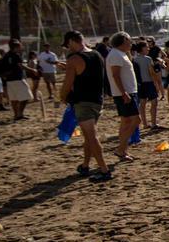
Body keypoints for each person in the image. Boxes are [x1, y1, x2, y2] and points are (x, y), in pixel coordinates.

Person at [59, 31, 111, 181]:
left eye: (68, 45)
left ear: (72, 41)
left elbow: (67, 84)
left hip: (83, 102)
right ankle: (85, 165)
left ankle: (104, 170)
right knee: (89, 137)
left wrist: (62, 97)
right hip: (97, 100)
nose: (68, 48)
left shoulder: (74, 59)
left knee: (92, 136)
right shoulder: (97, 55)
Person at [106, 31, 140, 161]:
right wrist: (123, 92)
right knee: (136, 120)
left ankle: (123, 150)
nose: (131, 43)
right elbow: (115, 75)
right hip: (125, 93)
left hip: (128, 91)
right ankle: (121, 149)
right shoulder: (115, 55)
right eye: (129, 40)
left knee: (125, 122)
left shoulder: (121, 54)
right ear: (123, 41)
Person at [0, 39, 35, 121]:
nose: (21, 46)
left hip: (9, 80)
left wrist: (3, 75)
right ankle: (20, 114)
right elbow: (21, 65)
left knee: (14, 98)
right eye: (20, 45)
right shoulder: (16, 55)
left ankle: (16, 115)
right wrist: (32, 70)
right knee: (26, 96)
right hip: (18, 78)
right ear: (16, 46)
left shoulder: (6, 55)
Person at [131, 41, 163, 130]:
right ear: (142, 49)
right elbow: (152, 73)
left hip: (140, 84)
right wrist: (156, 84)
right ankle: (153, 123)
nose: (148, 48)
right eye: (146, 47)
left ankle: (145, 123)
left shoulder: (134, 59)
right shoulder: (148, 59)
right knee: (154, 103)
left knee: (142, 104)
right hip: (149, 83)